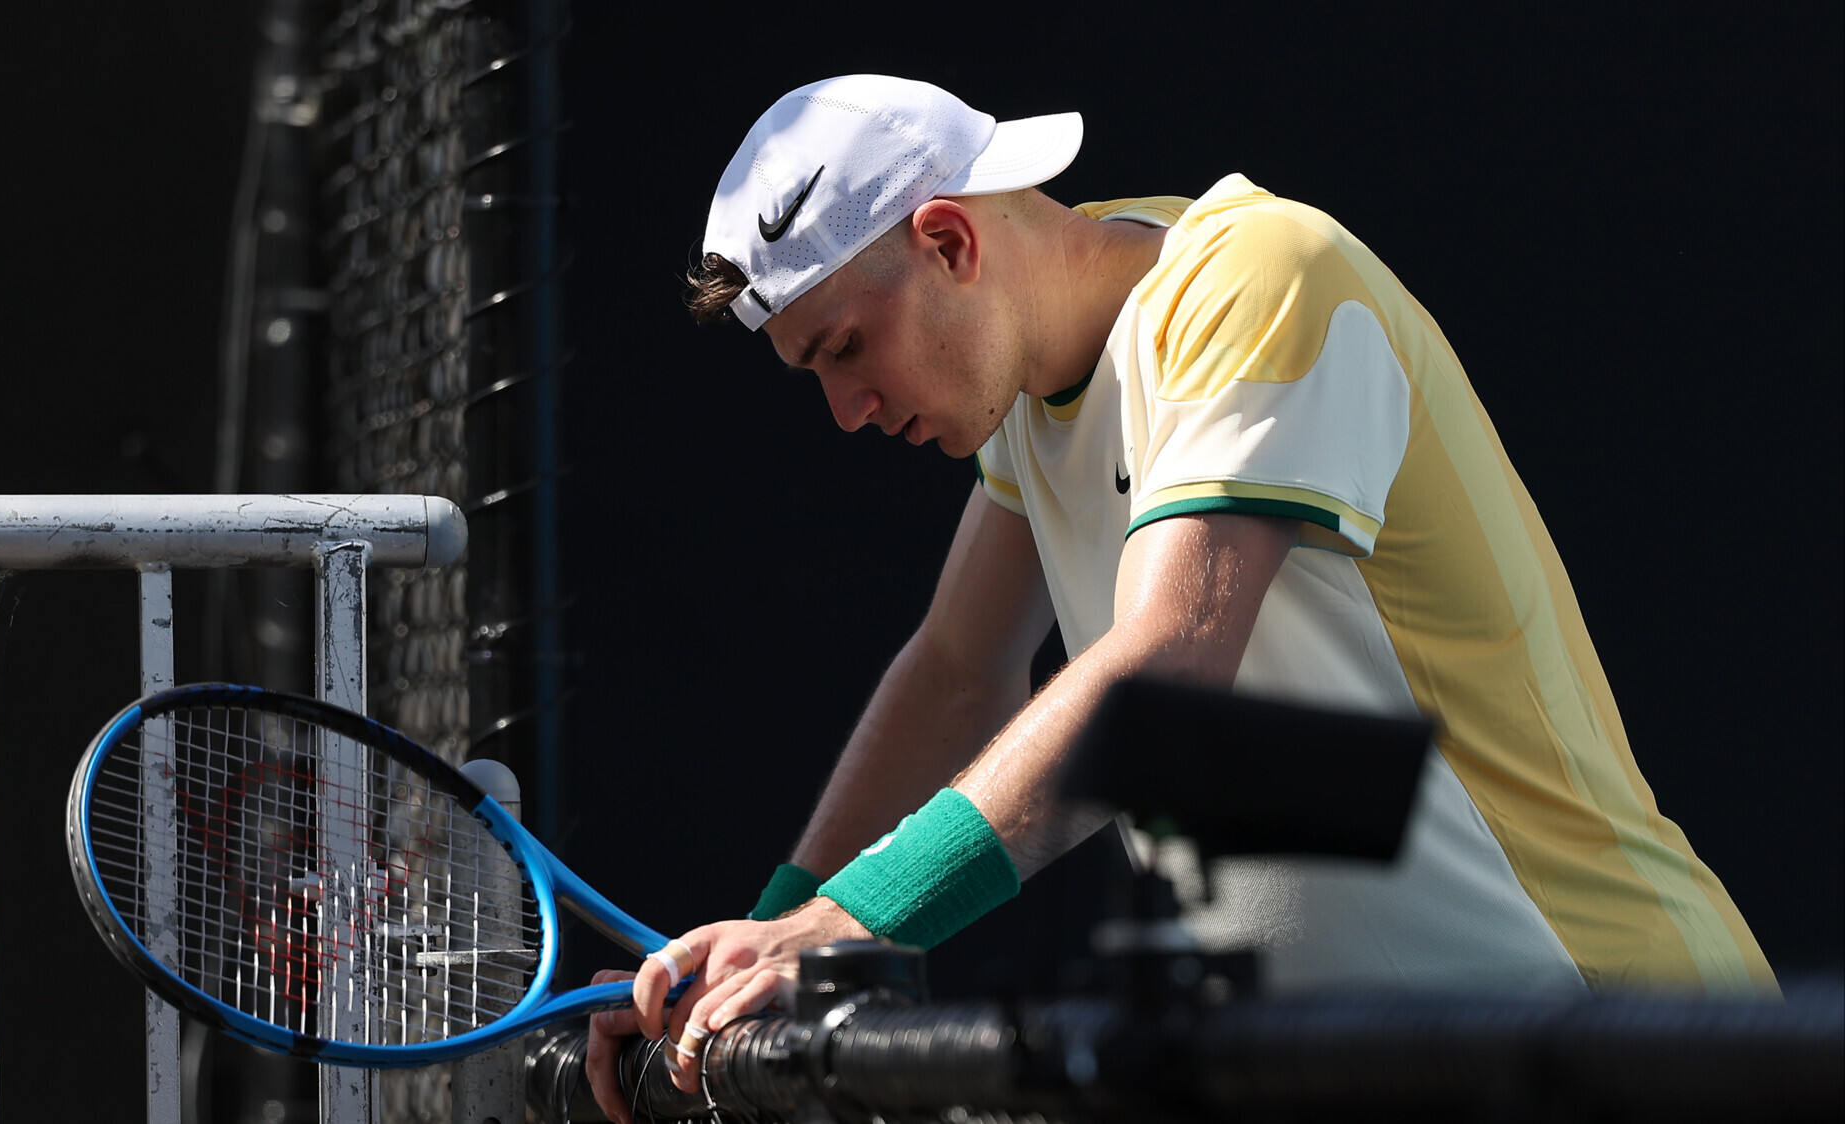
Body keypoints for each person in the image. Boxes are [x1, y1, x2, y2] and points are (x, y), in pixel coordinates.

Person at [585, 74, 1777, 1120]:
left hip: (1621, 1043)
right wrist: (752, 952)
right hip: (1372, 1072)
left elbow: (1161, 671)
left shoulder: (1256, 274)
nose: (844, 410)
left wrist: (845, 927)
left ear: (949, 241)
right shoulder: (1034, 390)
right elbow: (955, 668)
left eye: (843, 349)